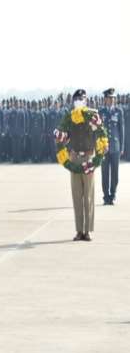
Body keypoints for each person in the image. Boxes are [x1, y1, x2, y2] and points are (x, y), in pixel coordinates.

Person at [61, 89, 97, 241]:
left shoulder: (93, 115)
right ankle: (79, 230)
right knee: (77, 195)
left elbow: (99, 134)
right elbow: (66, 135)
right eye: (77, 100)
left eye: (82, 99)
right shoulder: (70, 116)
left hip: (88, 157)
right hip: (75, 158)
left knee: (88, 195)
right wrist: (60, 137)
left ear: (86, 101)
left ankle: (87, 231)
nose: (79, 102)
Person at [99, 88, 124, 205]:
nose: (112, 100)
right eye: (110, 98)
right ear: (105, 99)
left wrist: (122, 147)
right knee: (104, 173)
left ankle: (113, 194)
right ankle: (106, 196)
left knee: (115, 173)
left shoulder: (119, 112)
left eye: (113, 98)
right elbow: (98, 131)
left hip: (115, 147)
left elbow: (121, 131)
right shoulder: (101, 112)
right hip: (104, 148)